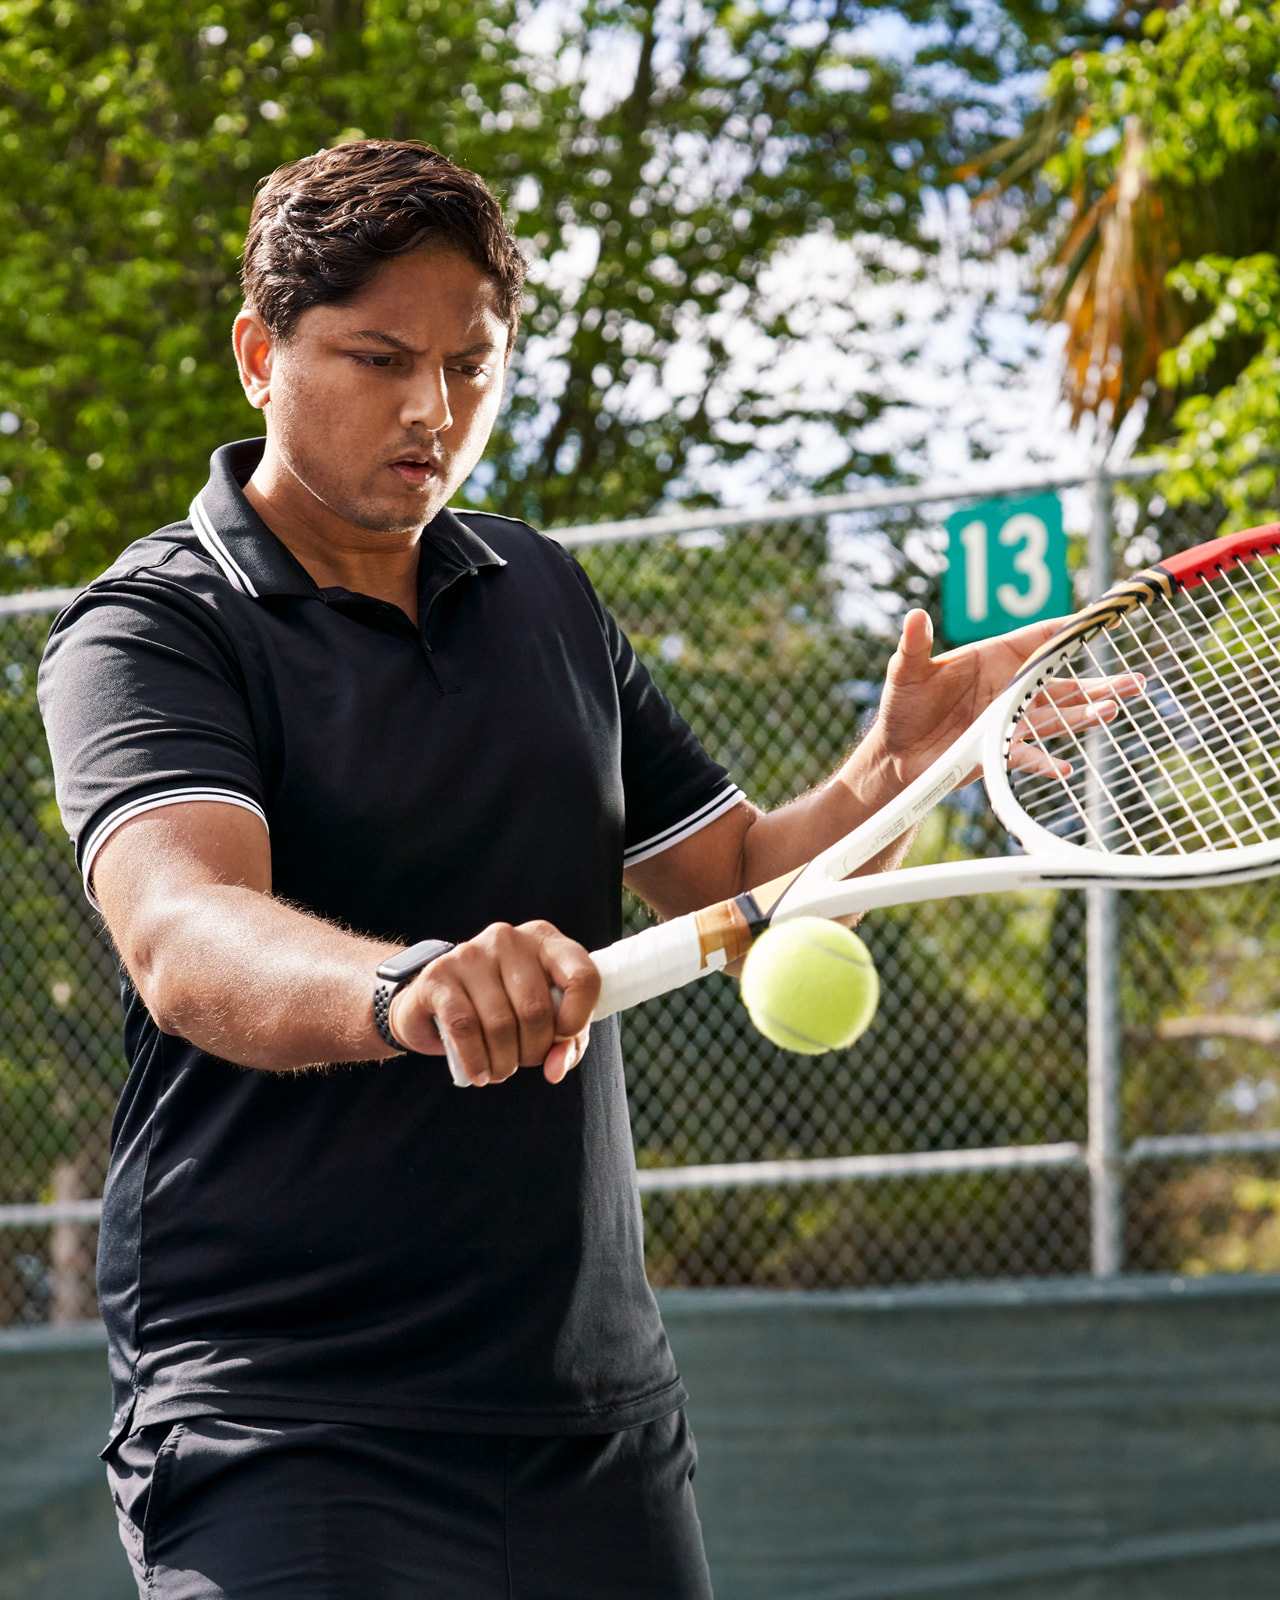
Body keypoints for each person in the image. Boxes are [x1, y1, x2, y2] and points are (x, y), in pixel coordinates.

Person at [38, 141, 1115, 1598]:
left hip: (591, 1427)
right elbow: (187, 935)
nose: (431, 409)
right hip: (278, 1419)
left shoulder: (541, 592)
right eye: (377, 358)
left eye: (470, 365)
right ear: (259, 355)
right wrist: (411, 987)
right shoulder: (149, 632)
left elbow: (739, 878)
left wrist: (891, 772)